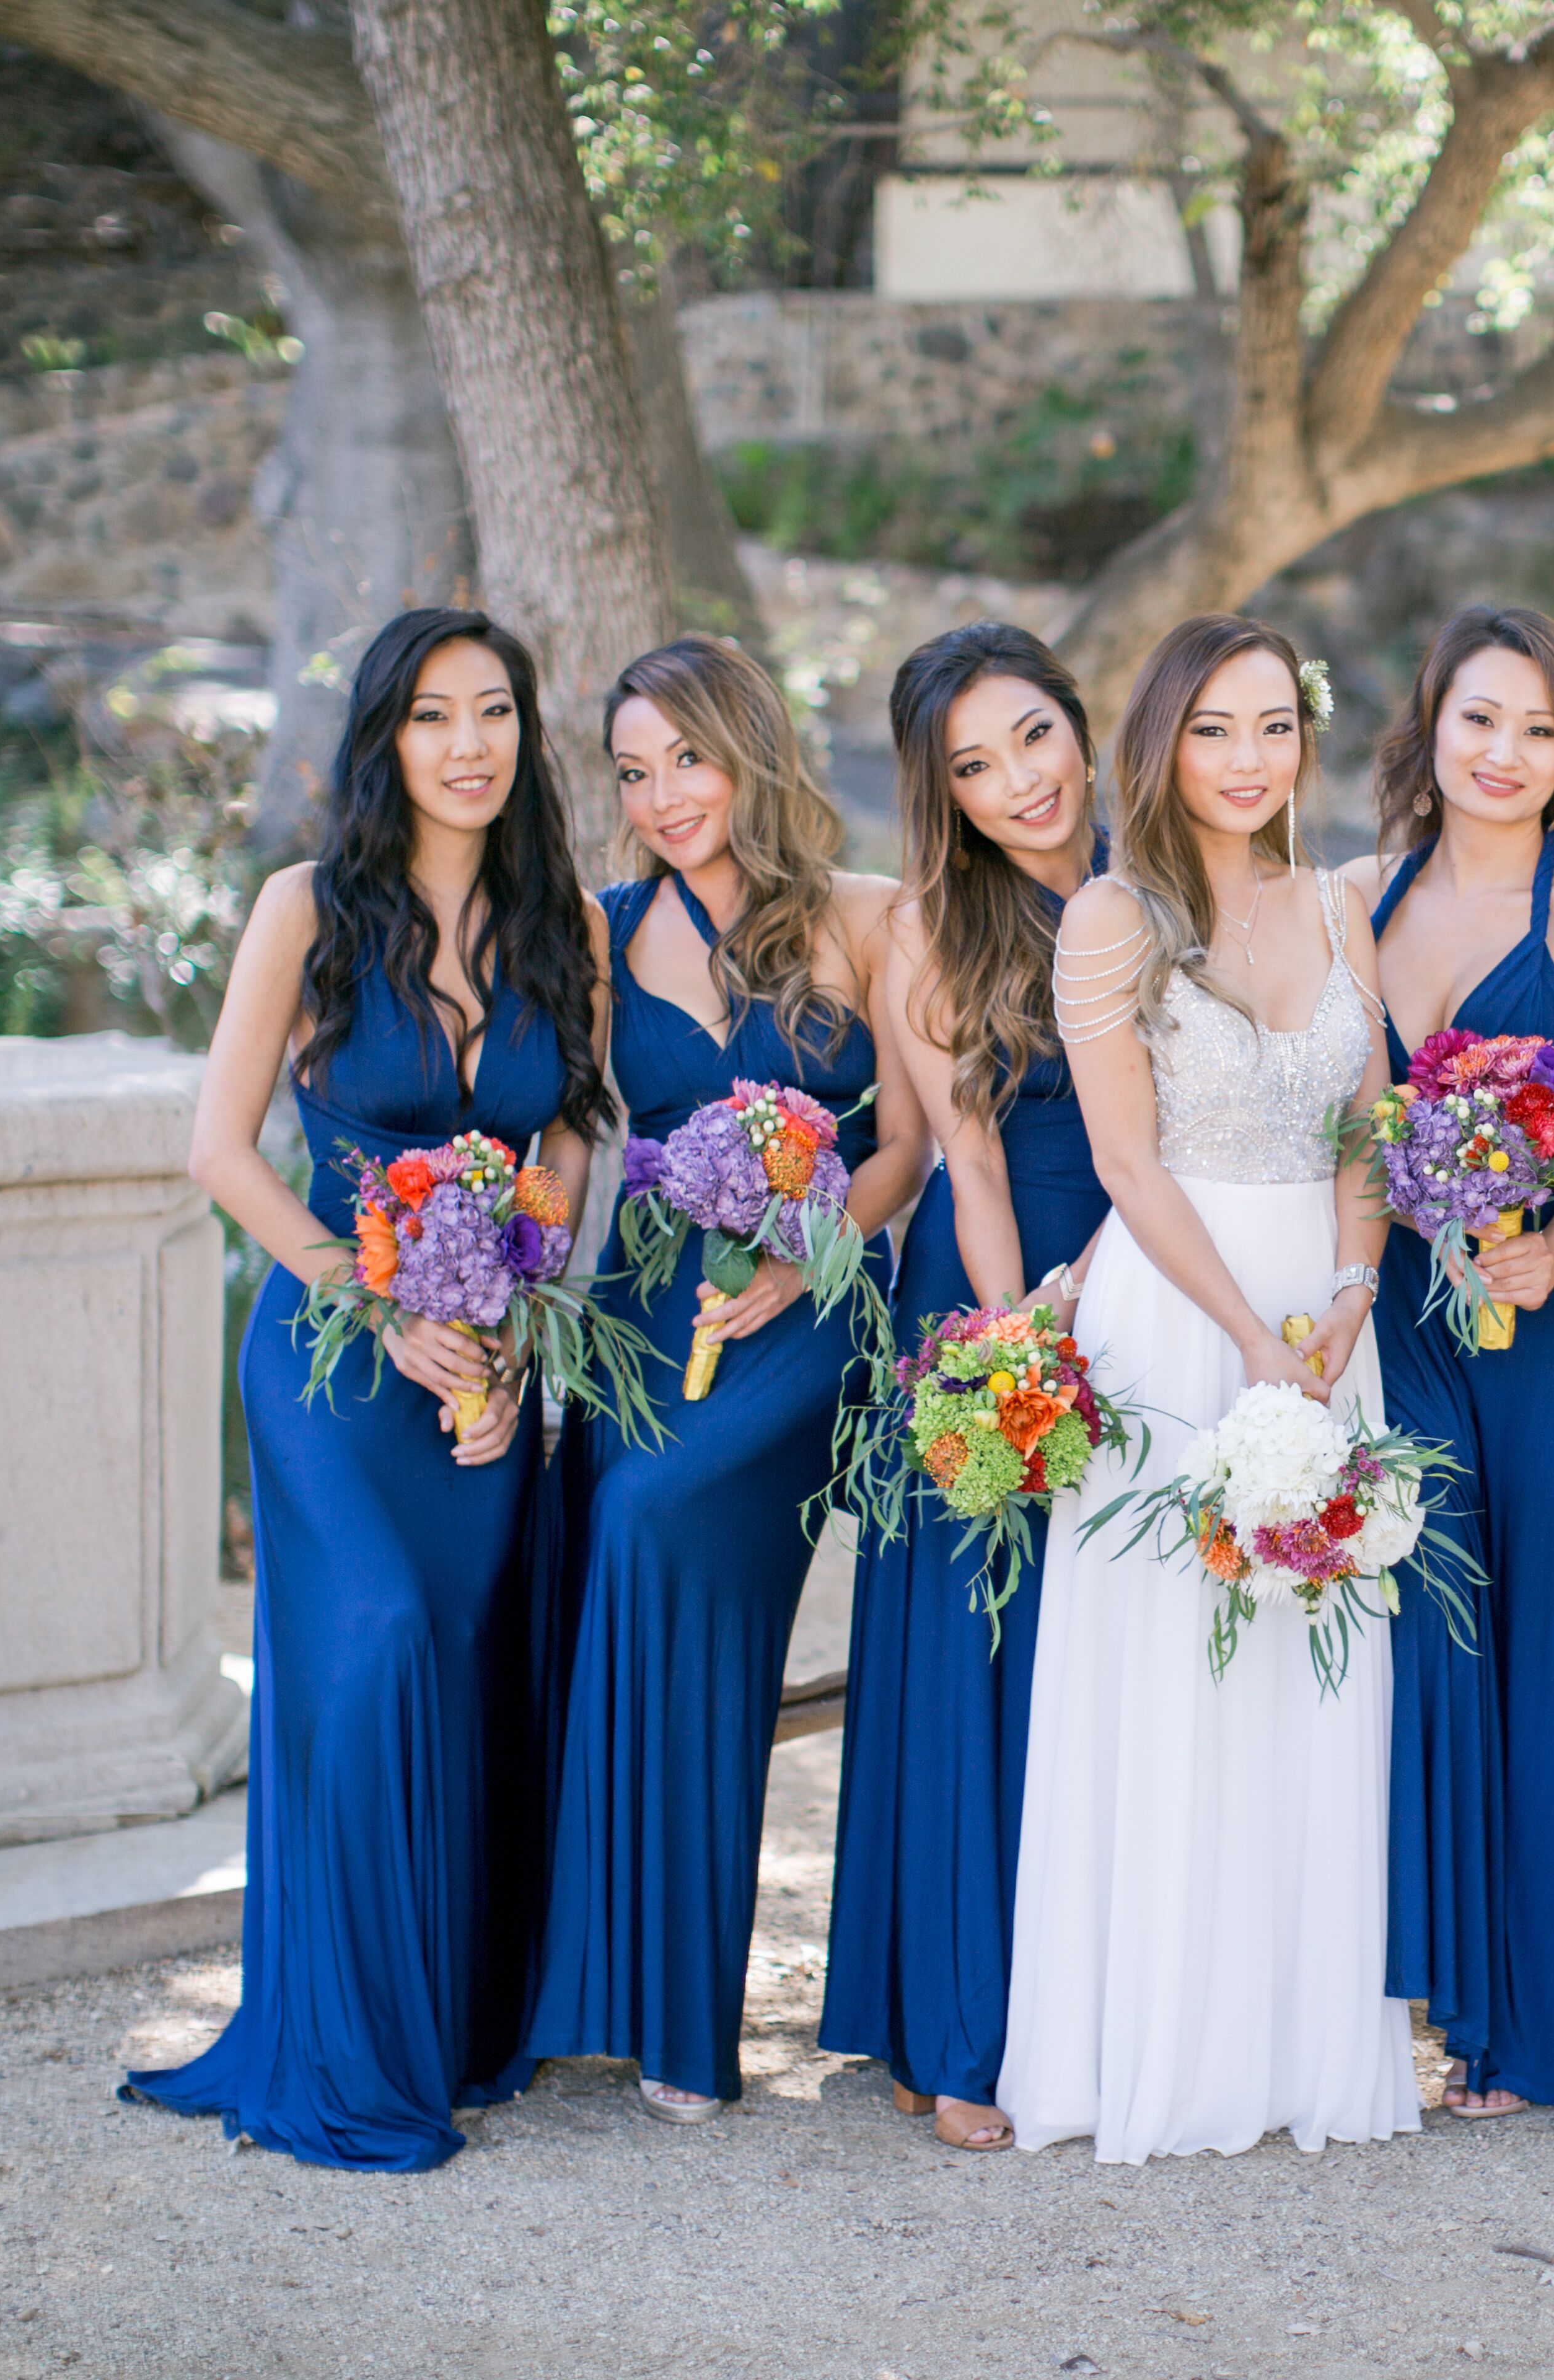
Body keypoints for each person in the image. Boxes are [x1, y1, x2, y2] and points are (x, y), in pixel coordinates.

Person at [129, 608, 610, 2171]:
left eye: (494, 714)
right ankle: (346, 2048)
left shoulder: (564, 924)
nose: (468, 745)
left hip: (489, 1367)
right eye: (431, 716)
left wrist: (519, 1315)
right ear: (383, 740)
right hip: (335, 1361)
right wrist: (378, 1294)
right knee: (381, 1647)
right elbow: (221, 1155)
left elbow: (568, 1142)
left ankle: (455, 2022)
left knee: (468, 1656)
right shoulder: (306, 909)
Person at [997, 613, 1415, 2162]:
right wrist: (1249, 1336)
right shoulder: (1114, 916)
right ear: (1164, 742)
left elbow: (1370, 1129)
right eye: (1216, 729)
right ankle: (1157, 2053)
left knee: (1316, 1667)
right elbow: (1121, 1157)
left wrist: (1352, 1297)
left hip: (1327, 1312)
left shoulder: (1338, 901)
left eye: (1275, 728)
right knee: (1174, 1670)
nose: (1250, 761)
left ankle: (1299, 2050)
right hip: (1178, 1318)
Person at [519, 636, 931, 2123]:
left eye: (686, 759)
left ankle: (680, 2017)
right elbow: (568, 1121)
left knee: (663, 1537)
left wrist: (813, 1240)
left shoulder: (868, 916)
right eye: (634, 773)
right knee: (621, 1557)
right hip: (646, 1305)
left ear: (749, 748)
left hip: (810, 1310)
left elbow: (904, 1143)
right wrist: (504, 1271)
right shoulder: (598, 923)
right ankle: (603, 1991)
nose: (663, 797)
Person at [1338, 605, 1554, 2120]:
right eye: (1481, 718)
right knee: (1434, 1626)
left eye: (1539, 729)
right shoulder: (1355, 897)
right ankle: (1444, 2000)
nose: (1505, 753)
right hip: (1406, 1313)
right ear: (1431, 726)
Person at [822, 625, 1114, 2153]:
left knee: (1120, 1641)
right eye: (975, 766)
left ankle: (1115, 2000)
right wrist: (1023, 1360)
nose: (1021, 784)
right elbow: (971, 1162)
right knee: (980, 1636)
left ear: (1081, 724)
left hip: (1153, 1264)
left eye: (1035, 738)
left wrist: (1134, 1290)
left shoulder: (1165, 893)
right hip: (995, 1297)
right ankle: (957, 2025)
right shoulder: (937, 927)